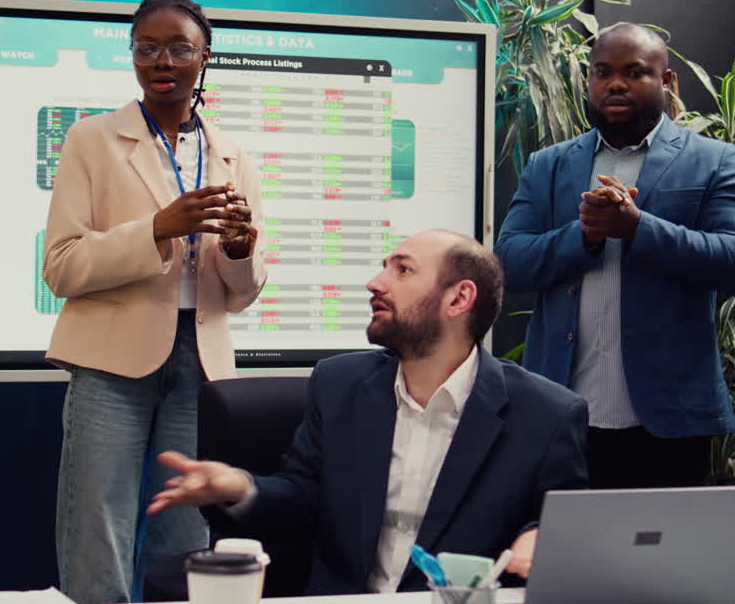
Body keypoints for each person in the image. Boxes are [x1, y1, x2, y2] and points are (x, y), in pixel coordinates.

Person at [148, 230, 588, 594]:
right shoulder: (340, 386)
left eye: (402, 269)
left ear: (459, 299)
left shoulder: (546, 416)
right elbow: (303, 500)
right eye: (384, 266)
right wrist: (238, 487)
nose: (375, 283)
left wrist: (543, 535)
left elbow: (556, 521)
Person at [43, 0, 267, 604]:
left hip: (202, 362)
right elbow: (60, 267)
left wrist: (243, 251)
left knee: (188, 528)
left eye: (178, 48)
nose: (161, 60)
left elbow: (242, 295)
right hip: (110, 361)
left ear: (205, 57)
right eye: (146, 48)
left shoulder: (231, 154)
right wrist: (156, 228)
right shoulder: (92, 140)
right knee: (98, 525)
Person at [496, 23, 735, 489]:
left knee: (661, 563)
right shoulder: (548, 165)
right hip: (561, 416)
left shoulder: (715, 160)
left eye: (634, 72)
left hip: (670, 424)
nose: (614, 83)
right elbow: (508, 263)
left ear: (667, 82)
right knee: (564, 560)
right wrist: (584, 236)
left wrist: (638, 229)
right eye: (602, 72)